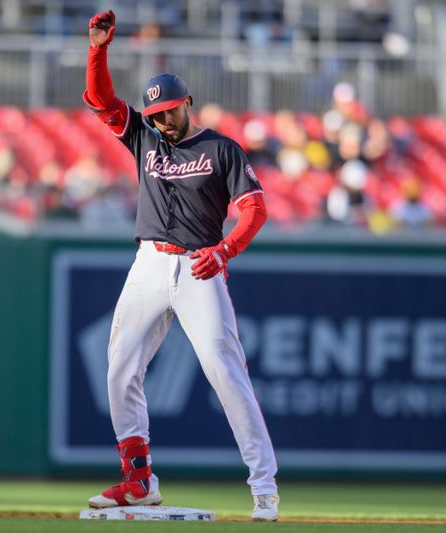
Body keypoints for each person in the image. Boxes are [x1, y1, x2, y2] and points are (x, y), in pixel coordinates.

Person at [82, 10, 279, 522]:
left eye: (170, 111)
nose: (162, 120)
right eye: (156, 114)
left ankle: (264, 486)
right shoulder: (144, 138)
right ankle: (139, 479)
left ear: (187, 103)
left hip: (199, 266)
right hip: (148, 262)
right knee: (120, 366)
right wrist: (98, 49)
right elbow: (102, 101)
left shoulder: (220, 148)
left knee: (225, 373)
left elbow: (255, 209)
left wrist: (226, 250)